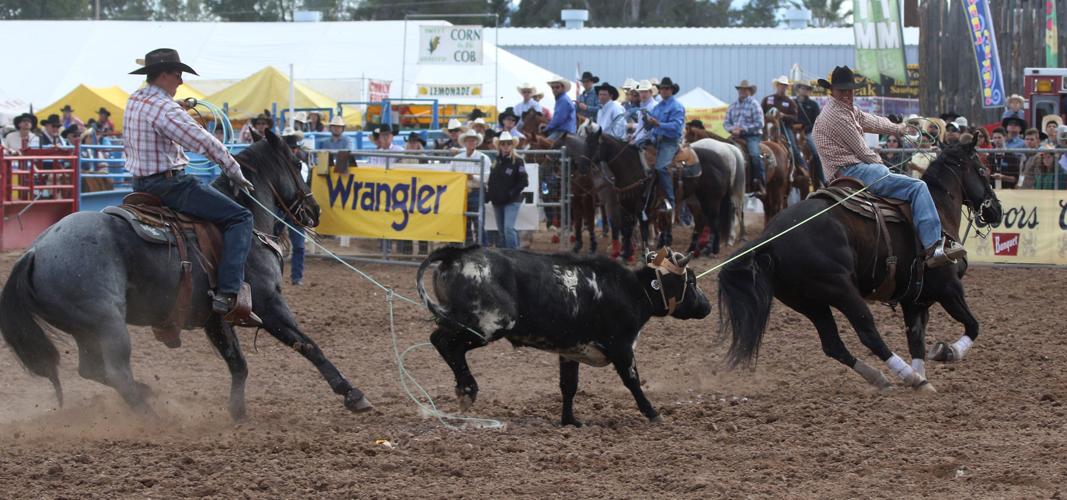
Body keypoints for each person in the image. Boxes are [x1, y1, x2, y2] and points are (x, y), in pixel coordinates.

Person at [124, 48, 255, 316]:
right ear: (162, 75)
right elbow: (203, 141)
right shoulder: (164, 109)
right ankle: (228, 292)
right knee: (240, 217)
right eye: (177, 74)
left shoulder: (135, 99)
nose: (181, 81)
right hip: (170, 185)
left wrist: (178, 109)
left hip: (140, 185)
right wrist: (233, 170)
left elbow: (162, 119)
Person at [812, 65, 964, 268]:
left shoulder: (844, 110)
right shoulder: (837, 116)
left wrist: (899, 129)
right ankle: (933, 246)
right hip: (853, 171)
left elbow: (870, 120)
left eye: (850, 90)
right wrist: (882, 166)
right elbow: (863, 151)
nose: (847, 94)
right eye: (842, 91)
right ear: (832, 91)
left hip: (848, 170)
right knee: (917, 187)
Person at [642, 77, 685, 210]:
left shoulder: (677, 106)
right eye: (661, 89)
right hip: (656, 140)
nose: (663, 91)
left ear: (671, 90)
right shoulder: (658, 107)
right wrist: (646, 121)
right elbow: (649, 127)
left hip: (669, 142)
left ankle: (670, 201)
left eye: (666, 88)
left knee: (661, 167)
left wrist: (658, 123)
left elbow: (677, 127)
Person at [486, 131, 528, 249]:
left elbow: (524, 181)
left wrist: (511, 193)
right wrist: (489, 195)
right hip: (497, 201)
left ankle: (514, 255)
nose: (506, 146)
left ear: (512, 145)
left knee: (508, 229)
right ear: (499, 145)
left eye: (508, 143)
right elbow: (491, 180)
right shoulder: (496, 161)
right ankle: (506, 256)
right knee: (502, 232)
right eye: (503, 143)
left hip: (511, 201)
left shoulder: (518, 161)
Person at [723, 79, 766, 193]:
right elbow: (726, 122)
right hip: (735, 136)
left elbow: (760, 123)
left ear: (750, 91)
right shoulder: (733, 105)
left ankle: (759, 182)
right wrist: (733, 129)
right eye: (741, 89)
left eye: (745, 89)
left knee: (755, 155)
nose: (742, 91)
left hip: (752, 136)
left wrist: (743, 129)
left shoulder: (754, 104)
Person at [279, 127, 309, 285]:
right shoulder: (277, 166)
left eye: (294, 148)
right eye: (290, 148)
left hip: (293, 209)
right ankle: (277, 275)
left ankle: (297, 277)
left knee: (299, 245)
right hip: (280, 208)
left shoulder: (302, 166)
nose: (292, 150)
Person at [761, 75, 808, 172]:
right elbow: (761, 113)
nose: (783, 87)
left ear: (787, 87)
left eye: (785, 85)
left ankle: (802, 168)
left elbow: (795, 117)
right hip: (768, 126)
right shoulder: (767, 99)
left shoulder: (790, 102)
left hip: (784, 127)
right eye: (781, 85)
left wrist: (783, 116)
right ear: (777, 85)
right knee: (758, 142)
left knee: (792, 146)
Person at [452, 128, 491, 244]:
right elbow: (451, 174)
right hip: (461, 193)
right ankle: (469, 249)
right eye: (469, 140)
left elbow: (488, 177)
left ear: (476, 142)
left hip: (476, 191)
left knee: (478, 222)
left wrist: (473, 177)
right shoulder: (457, 158)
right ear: (464, 142)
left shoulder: (484, 158)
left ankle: (482, 249)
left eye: (473, 140)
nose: (471, 142)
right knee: (465, 223)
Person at [795, 81, 824, 186]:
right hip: (793, 132)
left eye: (807, 89)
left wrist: (806, 128)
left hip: (808, 132)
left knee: (816, 153)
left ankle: (822, 179)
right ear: (799, 89)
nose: (805, 90)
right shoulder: (793, 103)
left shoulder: (813, 105)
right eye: (803, 88)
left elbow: (818, 122)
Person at [543, 76, 576, 141]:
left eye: (557, 87)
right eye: (552, 87)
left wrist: (547, 128)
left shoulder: (563, 100)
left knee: (544, 147)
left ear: (563, 87)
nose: (554, 89)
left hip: (563, 132)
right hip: (565, 130)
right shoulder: (562, 99)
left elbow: (558, 119)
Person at [628, 80, 658, 145]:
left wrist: (636, 139)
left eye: (645, 91)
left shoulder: (655, 106)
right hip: (641, 139)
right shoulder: (642, 106)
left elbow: (650, 130)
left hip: (649, 140)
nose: (643, 94)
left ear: (650, 92)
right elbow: (641, 126)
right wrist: (634, 135)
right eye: (641, 92)